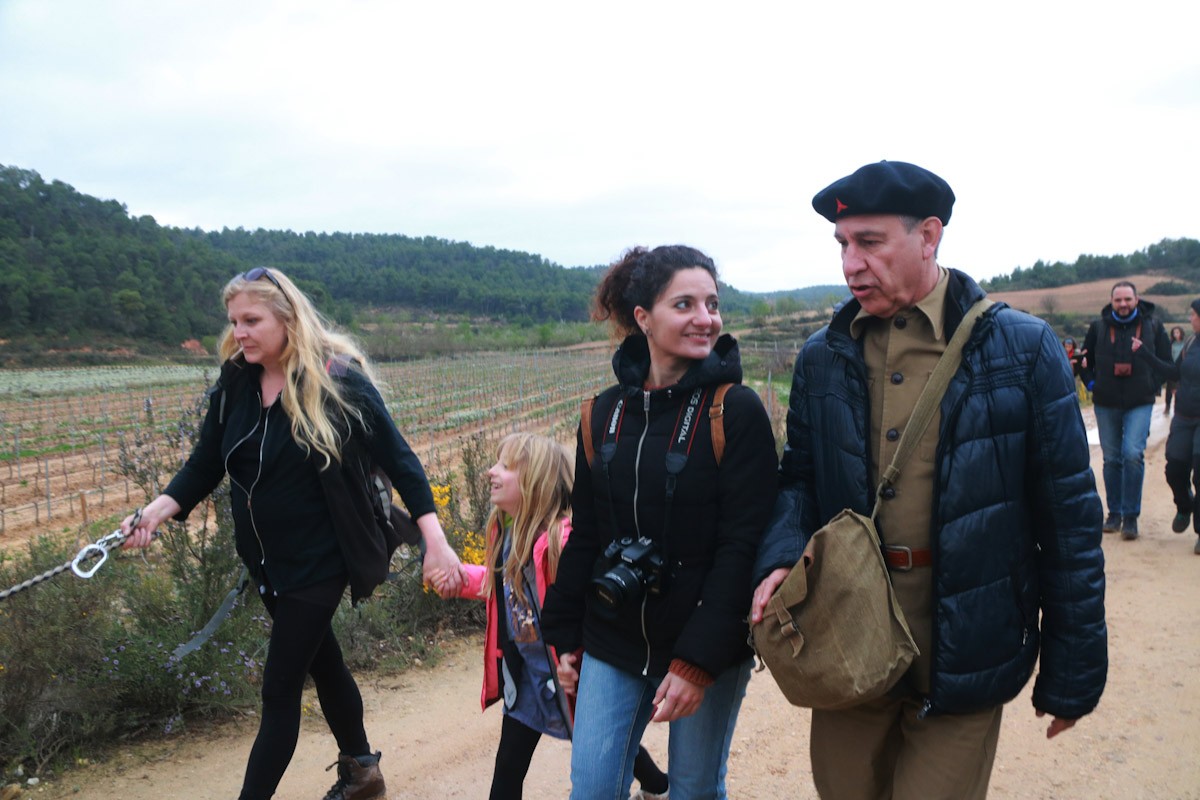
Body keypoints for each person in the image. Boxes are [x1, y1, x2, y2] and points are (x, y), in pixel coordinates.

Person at [750, 161, 1107, 800]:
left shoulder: (1022, 351)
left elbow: (1070, 521)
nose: (850, 264)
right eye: (842, 244)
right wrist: (779, 558)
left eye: (870, 242)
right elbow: (799, 479)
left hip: (966, 643)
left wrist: (1073, 670)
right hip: (846, 636)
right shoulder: (821, 356)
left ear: (929, 236)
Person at [121, 266, 464, 800]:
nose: (241, 332)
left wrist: (434, 541)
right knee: (323, 662)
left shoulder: (336, 380)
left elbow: (401, 461)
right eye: (235, 321)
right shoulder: (237, 381)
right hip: (266, 560)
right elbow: (205, 461)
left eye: (252, 319)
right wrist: (155, 511)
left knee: (280, 689)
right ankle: (363, 774)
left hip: (321, 560)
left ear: (287, 318)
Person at [540, 245, 778, 799]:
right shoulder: (602, 414)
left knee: (693, 788)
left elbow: (741, 545)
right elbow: (590, 533)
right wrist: (565, 635)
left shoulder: (733, 411)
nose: (706, 318)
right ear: (643, 317)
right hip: (614, 634)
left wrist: (697, 662)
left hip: (704, 640)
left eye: (713, 303)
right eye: (685, 303)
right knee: (593, 787)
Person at [434, 432, 669, 800]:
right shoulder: (504, 535)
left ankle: (657, 785)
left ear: (535, 481)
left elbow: (585, 607)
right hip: (528, 677)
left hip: (568, 675)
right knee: (509, 763)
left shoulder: (562, 541)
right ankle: (656, 783)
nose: (490, 472)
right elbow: (507, 591)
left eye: (506, 466)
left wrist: (575, 657)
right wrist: (462, 578)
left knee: (602, 747)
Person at [1080, 281, 1173, 539]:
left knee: (1132, 454)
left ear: (1136, 299)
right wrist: (1091, 384)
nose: (1122, 304)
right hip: (1105, 402)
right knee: (1111, 460)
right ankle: (1115, 514)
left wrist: (1151, 385)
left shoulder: (1153, 325)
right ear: (1111, 301)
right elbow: (1083, 360)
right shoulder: (1098, 327)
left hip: (1140, 401)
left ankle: (1130, 517)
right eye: (1118, 300)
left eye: (1127, 300)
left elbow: (1166, 363)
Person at [1132, 301, 1200, 554]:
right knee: (1174, 467)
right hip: (1184, 416)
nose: (1190, 319)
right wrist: (1145, 354)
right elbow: (1174, 372)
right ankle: (1184, 506)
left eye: (1193, 315)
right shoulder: (1191, 345)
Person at [1164, 325, 1187, 415]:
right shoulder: (1170, 344)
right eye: (1174, 333)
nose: (1175, 334)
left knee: (1180, 390)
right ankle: (1167, 406)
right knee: (1169, 389)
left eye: (1177, 332)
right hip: (1172, 368)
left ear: (1181, 333)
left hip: (1182, 369)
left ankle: (1178, 408)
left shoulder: (1185, 344)